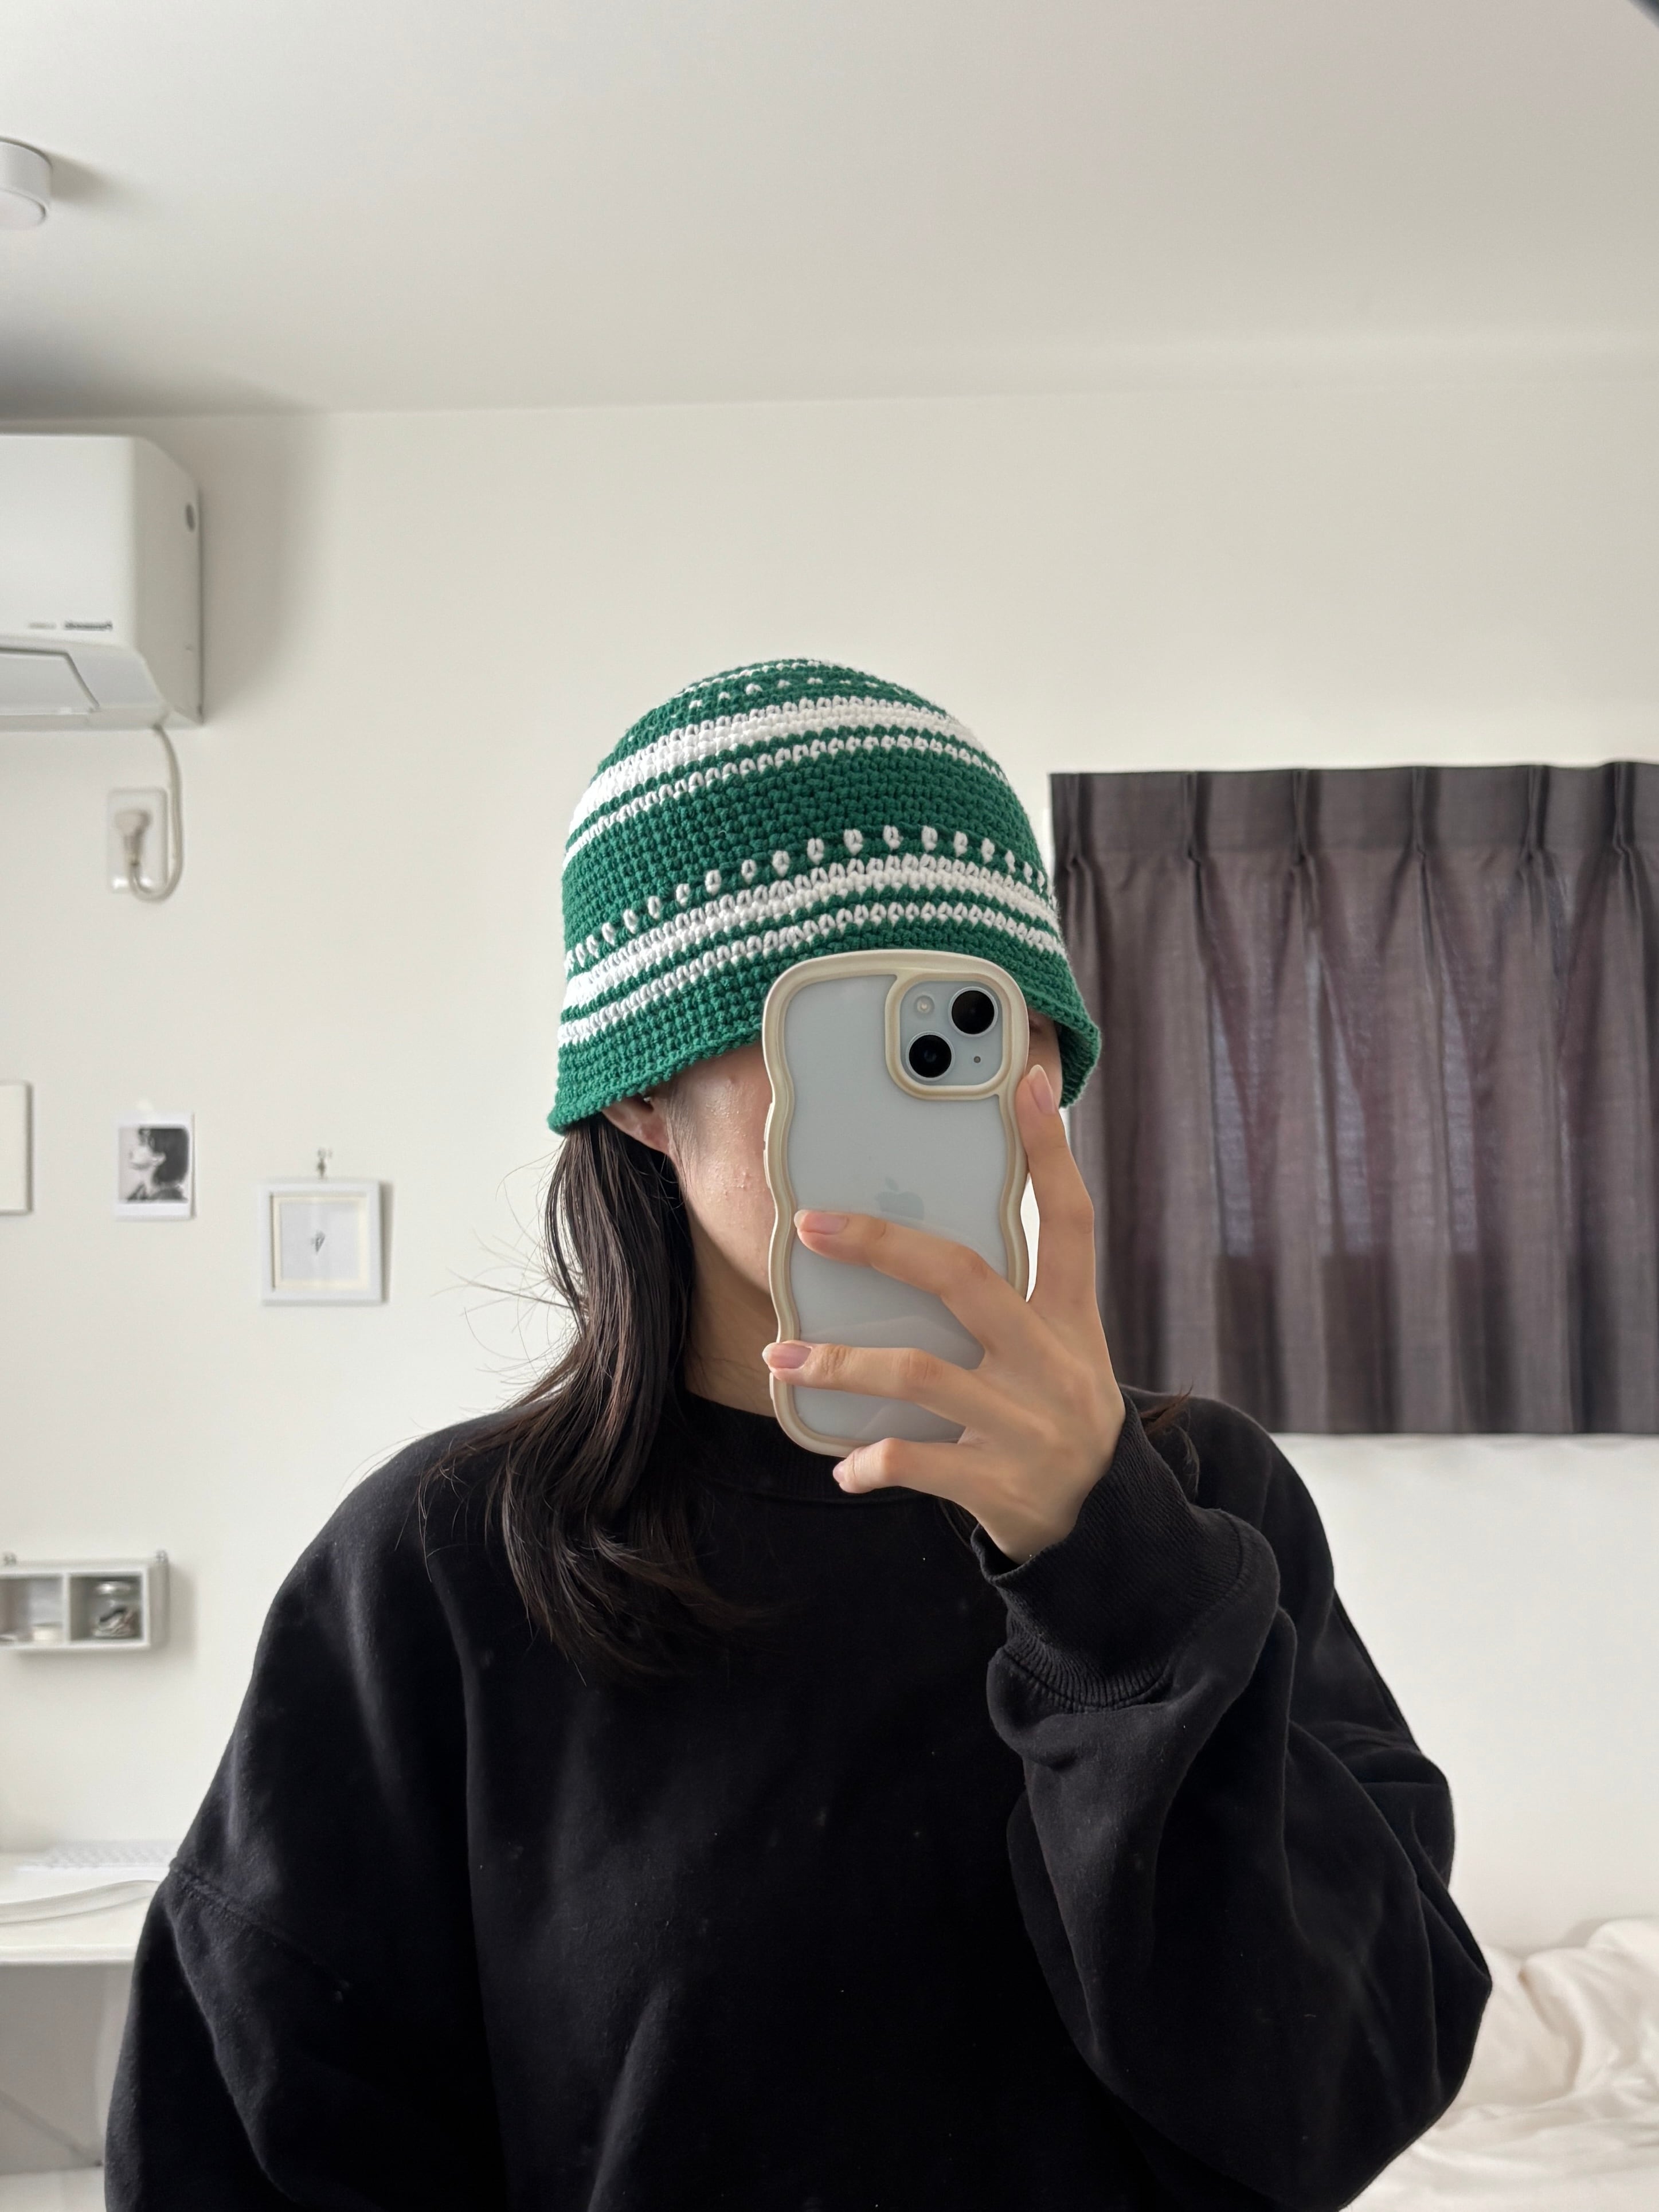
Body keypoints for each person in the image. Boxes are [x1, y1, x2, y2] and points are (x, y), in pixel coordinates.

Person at [107, 659, 1490, 2210]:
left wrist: (1113, 1577)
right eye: (847, 1035)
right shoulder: (441, 1564)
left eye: (978, 1028)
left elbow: (1339, 2094)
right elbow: (254, 2130)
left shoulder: (1204, 1501)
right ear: (641, 1096)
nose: (950, 1104)